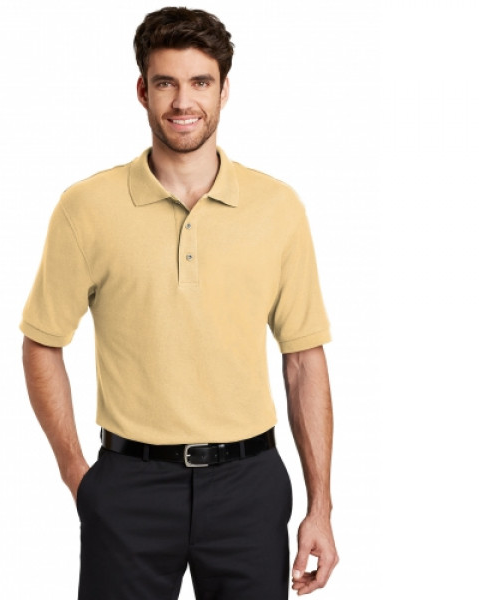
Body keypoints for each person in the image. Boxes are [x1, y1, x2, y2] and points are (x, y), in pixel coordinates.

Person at [20, 6, 338, 599]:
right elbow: (42, 342)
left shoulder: (277, 209)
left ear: (223, 91)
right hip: (129, 486)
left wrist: (320, 506)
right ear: (143, 90)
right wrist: (77, 476)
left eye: (200, 82)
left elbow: (303, 359)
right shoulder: (86, 208)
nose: (183, 101)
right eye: (166, 82)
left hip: (250, 487)